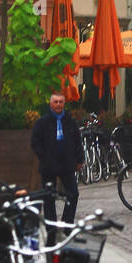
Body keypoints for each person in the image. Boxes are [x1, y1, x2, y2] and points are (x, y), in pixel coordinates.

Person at [30, 92, 85, 225]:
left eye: (61, 102)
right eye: (56, 102)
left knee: (73, 194)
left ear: (64, 104)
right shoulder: (42, 122)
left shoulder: (70, 122)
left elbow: (78, 141)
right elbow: (35, 142)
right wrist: (44, 157)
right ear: (51, 104)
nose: (58, 104)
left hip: (67, 164)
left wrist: (79, 160)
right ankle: (51, 226)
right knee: (49, 197)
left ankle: (67, 222)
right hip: (49, 165)